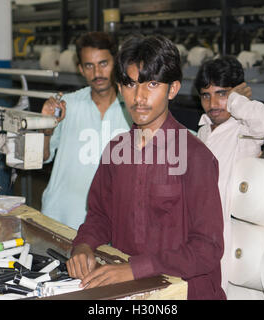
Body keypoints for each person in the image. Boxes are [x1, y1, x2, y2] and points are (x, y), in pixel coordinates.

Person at [66, 35, 226, 300]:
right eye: (129, 84)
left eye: (152, 84)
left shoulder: (196, 157)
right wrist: (84, 245)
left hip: (186, 292)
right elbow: (100, 215)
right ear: (120, 88)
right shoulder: (116, 151)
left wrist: (135, 269)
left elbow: (207, 249)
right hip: (133, 290)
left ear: (172, 89)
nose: (139, 97)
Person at [194, 56, 264, 292]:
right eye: (206, 95)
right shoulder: (202, 131)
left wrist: (235, 101)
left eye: (222, 94)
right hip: (201, 229)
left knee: (229, 288)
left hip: (233, 230)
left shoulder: (244, 129)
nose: (213, 103)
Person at [40, 31, 132, 230]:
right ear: (80, 69)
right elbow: (42, 157)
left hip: (111, 223)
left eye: (103, 64)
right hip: (61, 218)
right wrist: (47, 127)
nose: (97, 73)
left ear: (116, 62)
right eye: (89, 66)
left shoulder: (134, 110)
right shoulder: (67, 105)